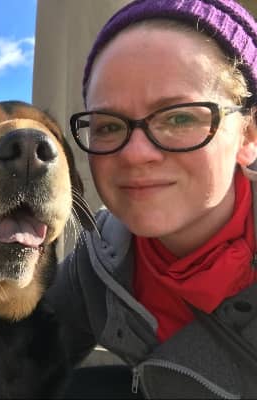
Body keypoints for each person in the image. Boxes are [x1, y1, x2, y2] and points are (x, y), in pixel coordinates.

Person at [45, 0, 257, 398]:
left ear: (248, 135)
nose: (135, 154)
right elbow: (18, 353)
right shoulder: (101, 256)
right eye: (108, 126)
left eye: (179, 117)